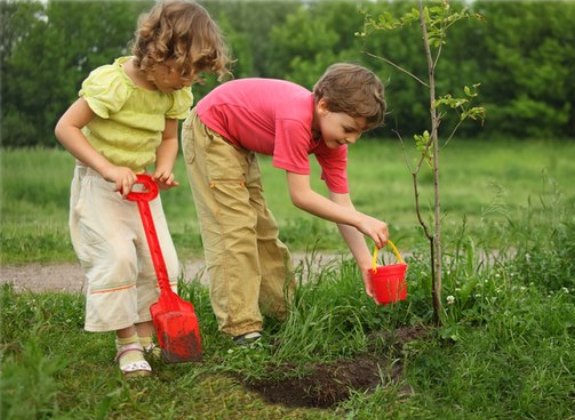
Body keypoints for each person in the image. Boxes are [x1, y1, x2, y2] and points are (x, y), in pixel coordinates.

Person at [54, 0, 229, 377]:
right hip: (100, 186)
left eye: (194, 75)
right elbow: (65, 128)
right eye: (183, 71)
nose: (187, 81)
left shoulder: (173, 93)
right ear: (156, 52)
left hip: (141, 187)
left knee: (161, 263)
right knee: (118, 257)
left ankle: (149, 336)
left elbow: (168, 138)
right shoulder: (113, 84)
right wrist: (106, 167)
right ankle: (127, 342)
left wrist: (164, 168)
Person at [181, 63, 390, 345]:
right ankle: (241, 328)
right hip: (211, 131)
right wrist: (361, 219)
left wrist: (367, 264)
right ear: (324, 106)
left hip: (238, 143)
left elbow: (342, 206)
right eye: (349, 128)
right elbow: (301, 196)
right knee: (235, 230)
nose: (352, 139)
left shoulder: (333, 142)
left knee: (263, 230)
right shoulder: (297, 119)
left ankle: (282, 313)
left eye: (359, 133)